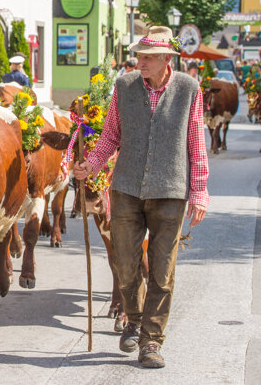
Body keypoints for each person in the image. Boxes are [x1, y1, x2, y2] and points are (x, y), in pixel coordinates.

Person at [72, 26, 208, 369]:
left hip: (171, 192)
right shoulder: (124, 86)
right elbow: (110, 136)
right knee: (125, 263)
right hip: (127, 189)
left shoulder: (188, 89)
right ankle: (133, 317)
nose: (140, 61)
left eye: (147, 57)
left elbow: (195, 142)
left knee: (162, 272)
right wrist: (91, 164)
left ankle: (151, 340)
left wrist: (200, 190)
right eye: (139, 56)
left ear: (166, 59)